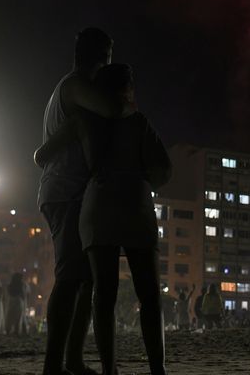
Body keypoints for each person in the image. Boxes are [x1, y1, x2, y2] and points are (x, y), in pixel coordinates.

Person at [37, 63, 171, 374]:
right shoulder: (138, 122)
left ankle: (109, 369)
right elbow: (163, 169)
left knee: (103, 293)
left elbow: (41, 156)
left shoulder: (84, 120)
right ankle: (157, 369)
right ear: (128, 89)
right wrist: (140, 179)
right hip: (135, 201)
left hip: (96, 203)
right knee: (149, 293)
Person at [37, 28, 132, 375]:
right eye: (108, 54)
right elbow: (111, 109)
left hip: (67, 191)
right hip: (66, 191)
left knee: (85, 278)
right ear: (102, 56)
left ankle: (71, 360)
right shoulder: (76, 86)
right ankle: (56, 365)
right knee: (69, 277)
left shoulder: (70, 89)